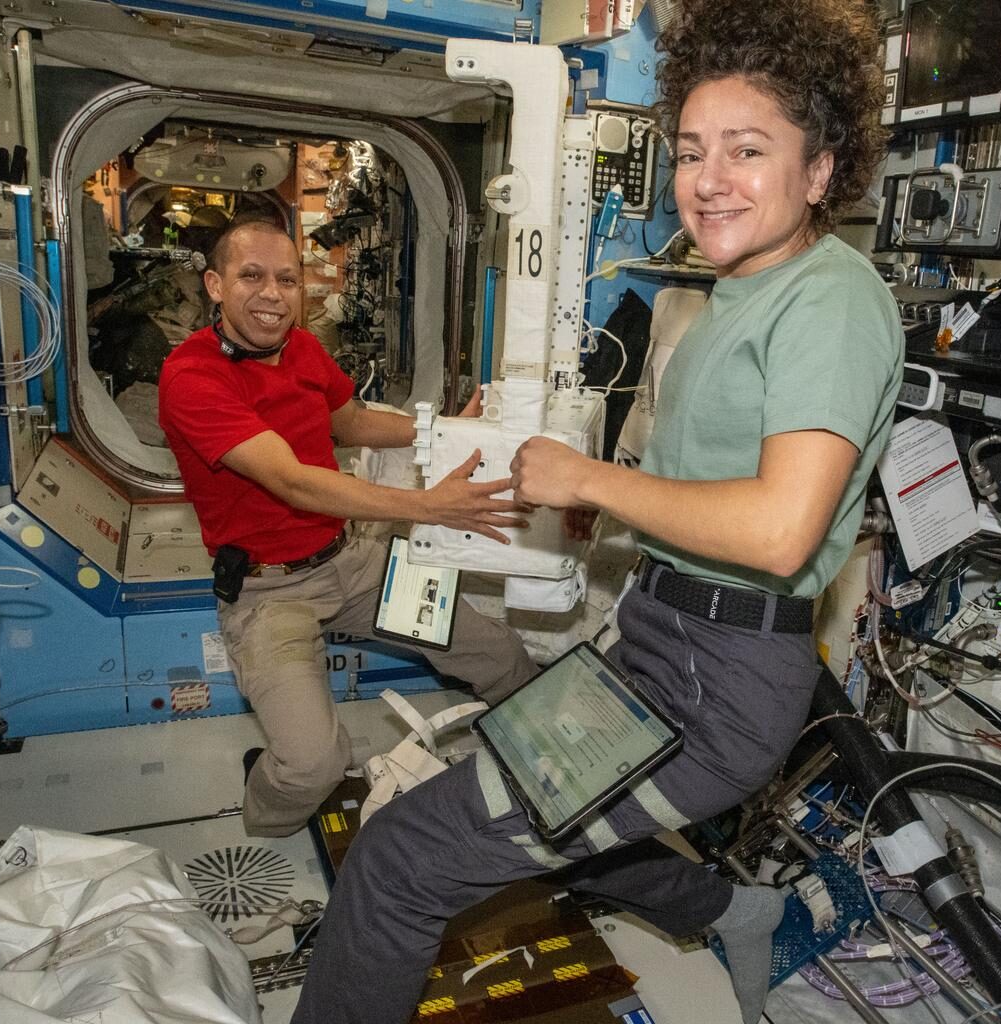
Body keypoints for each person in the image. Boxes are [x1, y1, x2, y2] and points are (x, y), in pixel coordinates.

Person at [289, 1, 899, 1021]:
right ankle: (729, 910)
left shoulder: (830, 301)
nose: (710, 179)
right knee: (528, 796)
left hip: (718, 681)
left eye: (748, 150)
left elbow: (782, 531)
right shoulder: (738, 291)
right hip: (667, 633)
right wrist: (611, 522)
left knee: (403, 859)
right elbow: (715, 491)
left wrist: (590, 482)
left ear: (822, 168)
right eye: (693, 150)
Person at [157, 215, 539, 838]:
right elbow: (292, 480)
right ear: (215, 286)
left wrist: (446, 430)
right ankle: (267, 828)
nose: (273, 294)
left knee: (498, 652)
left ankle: (544, 762)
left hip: (351, 565)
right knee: (313, 764)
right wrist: (428, 506)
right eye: (250, 276)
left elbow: (353, 424)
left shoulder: (304, 350)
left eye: (286, 278)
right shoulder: (192, 377)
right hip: (268, 594)